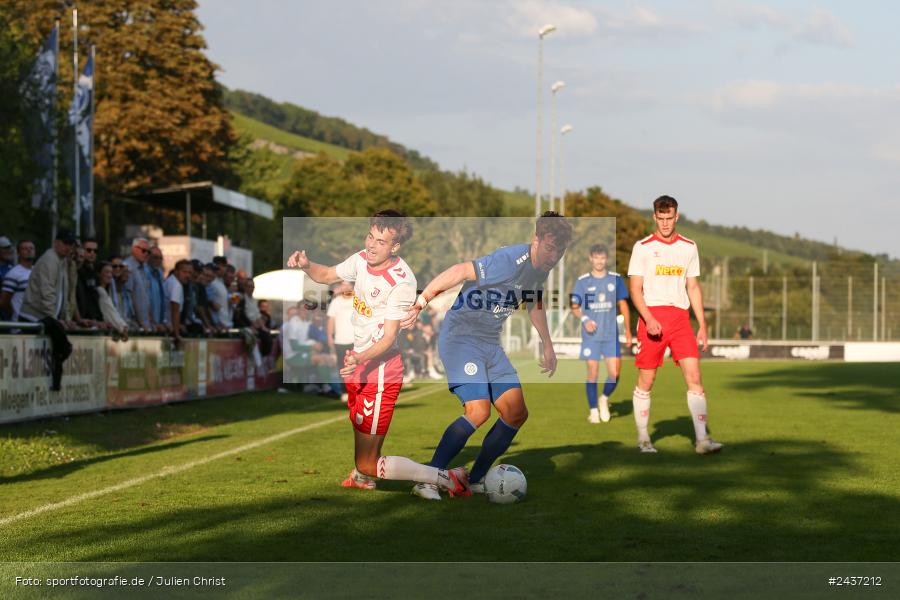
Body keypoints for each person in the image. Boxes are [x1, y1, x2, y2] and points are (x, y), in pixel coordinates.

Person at [286, 209, 468, 496]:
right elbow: (327, 275)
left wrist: (359, 357)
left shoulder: (401, 281)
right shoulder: (361, 259)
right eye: (370, 236)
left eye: (380, 242)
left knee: (369, 461)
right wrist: (307, 264)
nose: (371, 245)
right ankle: (361, 477)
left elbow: (389, 338)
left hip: (380, 369)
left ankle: (445, 479)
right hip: (359, 361)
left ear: (395, 246)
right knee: (363, 448)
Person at [402, 211, 573, 500]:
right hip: (461, 338)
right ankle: (428, 478)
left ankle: (476, 478)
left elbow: (534, 302)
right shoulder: (510, 259)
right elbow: (459, 270)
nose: (553, 256)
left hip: (490, 344)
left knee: (516, 413)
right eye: (549, 247)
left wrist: (547, 344)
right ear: (536, 240)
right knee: (478, 411)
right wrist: (422, 300)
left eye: (559, 251)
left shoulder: (540, 269)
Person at [627, 195, 723, 455]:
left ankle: (702, 441)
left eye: (670, 218)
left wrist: (702, 324)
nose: (666, 223)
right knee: (647, 380)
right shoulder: (643, 247)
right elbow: (635, 289)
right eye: (661, 218)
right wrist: (648, 318)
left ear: (677, 217)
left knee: (695, 378)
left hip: (681, 320)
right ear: (654, 217)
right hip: (652, 318)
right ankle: (644, 438)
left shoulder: (689, 247)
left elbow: (693, 287)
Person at [569, 244, 632, 424]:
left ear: (606, 259)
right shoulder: (582, 282)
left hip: (611, 336)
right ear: (590, 258)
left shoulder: (616, 279)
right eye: (596, 257)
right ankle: (593, 411)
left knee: (615, 374)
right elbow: (575, 307)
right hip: (591, 337)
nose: (599, 261)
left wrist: (628, 330)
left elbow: (623, 306)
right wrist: (585, 320)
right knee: (593, 373)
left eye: (602, 258)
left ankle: (603, 398)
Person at [326, 281, 355, 401]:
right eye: (343, 284)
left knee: (358, 367)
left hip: (356, 340)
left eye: (348, 284)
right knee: (342, 368)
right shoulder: (336, 302)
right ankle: (345, 392)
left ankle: (360, 391)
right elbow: (331, 320)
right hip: (340, 340)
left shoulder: (358, 300)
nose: (346, 287)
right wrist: (329, 336)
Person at [0, 239, 35, 321]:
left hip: (36, 321)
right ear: (18, 253)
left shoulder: (38, 271)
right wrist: (13, 314)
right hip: (18, 324)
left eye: (31, 248)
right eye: (25, 248)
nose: (29, 250)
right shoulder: (13, 273)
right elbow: (4, 301)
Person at [123, 237, 153, 330]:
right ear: (134, 249)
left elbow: (146, 298)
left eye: (149, 252)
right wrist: (140, 323)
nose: (146, 254)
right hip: (135, 325)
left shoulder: (145, 268)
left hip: (146, 324)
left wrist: (151, 321)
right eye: (144, 251)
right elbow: (130, 298)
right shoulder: (128, 267)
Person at [95, 261, 129, 339]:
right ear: (99, 274)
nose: (109, 275)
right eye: (106, 272)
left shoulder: (107, 292)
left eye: (110, 272)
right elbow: (110, 312)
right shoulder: (100, 291)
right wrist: (122, 327)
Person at [165, 259, 192, 346]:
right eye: (184, 272)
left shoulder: (170, 281)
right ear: (176, 271)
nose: (187, 275)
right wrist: (177, 334)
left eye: (189, 273)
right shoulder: (176, 285)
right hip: (169, 329)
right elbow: (175, 310)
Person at [146, 246, 168, 331]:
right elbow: (145, 300)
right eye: (155, 257)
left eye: (160, 258)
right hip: (149, 323)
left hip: (159, 322)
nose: (158, 260)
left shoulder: (159, 273)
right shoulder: (144, 272)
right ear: (148, 257)